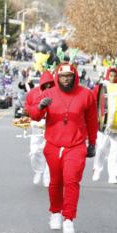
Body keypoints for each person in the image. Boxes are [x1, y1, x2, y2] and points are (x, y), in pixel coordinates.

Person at [29, 63, 98, 233]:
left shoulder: (86, 95)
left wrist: (93, 143)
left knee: (71, 181)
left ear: (75, 76)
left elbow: (92, 121)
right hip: (53, 145)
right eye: (62, 76)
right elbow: (34, 115)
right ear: (57, 77)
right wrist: (40, 107)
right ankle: (55, 213)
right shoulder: (48, 94)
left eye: (69, 76)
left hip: (76, 146)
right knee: (55, 182)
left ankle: (68, 218)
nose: (66, 79)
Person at [25, 71, 54, 187]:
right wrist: (30, 111)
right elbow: (27, 107)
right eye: (45, 84)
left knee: (49, 152)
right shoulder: (33, 93)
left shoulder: (56, 93)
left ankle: (47, 176)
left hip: (51, 124)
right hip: (37, 124)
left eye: (50, 84)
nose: (48, 86)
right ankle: (38, 171)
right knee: (34, 151)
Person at [92, 68, 117, 183]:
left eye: (114, 76)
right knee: (101, 148)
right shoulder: (101, 87)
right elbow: (94, 102)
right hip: (103, 125)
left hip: (115, 127)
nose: (112, 78)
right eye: (110, 75)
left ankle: (113, 175)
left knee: (115, 152)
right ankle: (97, 169)